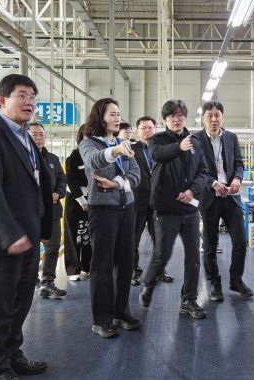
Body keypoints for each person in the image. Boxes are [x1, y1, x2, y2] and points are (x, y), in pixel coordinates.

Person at [0, 74, 52, 379]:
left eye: (33, 97)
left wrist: (41, 230)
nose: (29, 102)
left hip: (28, 234)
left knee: (21, 301)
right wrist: (9, 234)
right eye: (22, 95)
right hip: (4, 237)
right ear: (3, 100)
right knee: (1, 304)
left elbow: (35, 184)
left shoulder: (25, 136)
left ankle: (13, 354)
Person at [139, 100, 209, 319]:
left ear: (185, 118)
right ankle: (149, 284)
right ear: (165, 120)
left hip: (190, 208)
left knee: (193, 257)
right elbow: (158, 155)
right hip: (166, 208)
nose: (176, 119)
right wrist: (179, 147)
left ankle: (188, 300)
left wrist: (192, 191)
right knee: (162, 254)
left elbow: (203, 171)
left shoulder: (196, 142)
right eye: (172, 116)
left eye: (180, 116)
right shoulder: (156, 140)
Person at [79, 98, 141, 338]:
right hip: (103, 209)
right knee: (102, 264)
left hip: (127, 207)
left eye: (118, 114)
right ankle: (101, 319)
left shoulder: (122, 143)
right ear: (100, 117)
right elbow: (94, 161)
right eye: (112, 114)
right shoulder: (88, 143)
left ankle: (121, 312)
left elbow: (135, 175)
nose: (117, 118)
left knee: (126, 262)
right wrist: (116, 151)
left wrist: (116, 183)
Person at [194, 101, 252, 302]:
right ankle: (214, 283)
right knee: (210, 245)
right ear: (203, 118)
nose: (214, 119)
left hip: (231, 198)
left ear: (222, 117)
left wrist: (237, 179)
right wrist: (212, 183)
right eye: (209, 116)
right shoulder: (195, 140)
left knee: (240, 242)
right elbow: (194, 170)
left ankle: (236, 280)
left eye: (217, 115)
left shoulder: (230, 137)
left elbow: (239, 163)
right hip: (209, 199)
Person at [131, 116, 173, 286]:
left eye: (150, 127)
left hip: (159, 201)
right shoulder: (130, 149)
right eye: (143, 128)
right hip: (137, 201)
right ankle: (134, 272)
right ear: (137, 131)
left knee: (160, 239)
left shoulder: (162, 149)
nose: (147, 131)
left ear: (155, 129)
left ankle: (160, 271)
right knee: (133, 240)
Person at [28, 123, 68, 299]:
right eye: (34, 135)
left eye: (41, 135)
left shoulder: (52, 158)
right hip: (31, 213)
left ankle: (47, 282)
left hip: (52, 211)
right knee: (31, 250)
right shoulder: (23, 158)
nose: (39, 138)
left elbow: (62, 178)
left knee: (52, 248)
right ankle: (33, 281)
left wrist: (58, 193)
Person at [64, 125, 91, 281]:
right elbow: (71, 181)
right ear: (81, 137)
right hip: (76, 200)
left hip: (93, 199)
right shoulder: (74, 156)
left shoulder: (96, 154)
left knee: (89, 234)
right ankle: (73, 269)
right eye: (87, 135)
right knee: (74, 234)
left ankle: (88, 265)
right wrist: (82, 200)